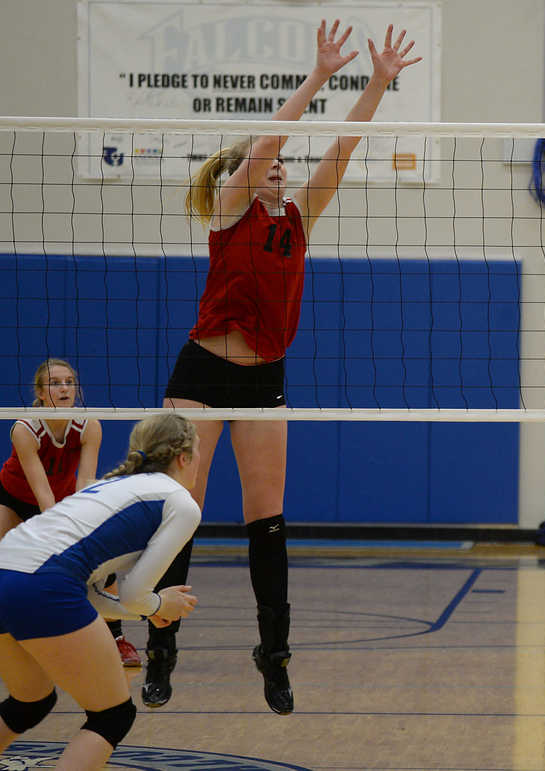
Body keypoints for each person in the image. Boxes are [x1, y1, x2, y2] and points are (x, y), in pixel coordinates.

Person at [142, 19, 422, 716]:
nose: (280, 167)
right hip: (202, 373)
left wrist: (379, 82)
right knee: (184, 509)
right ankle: (161, 650)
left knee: (267, 518)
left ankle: (274, 654)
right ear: (244, 171)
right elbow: (271, 139)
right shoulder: (230, 212)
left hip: (265, 379)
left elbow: (344, 148)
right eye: (267, 162)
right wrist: (321, 74)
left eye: (282, 166)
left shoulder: (298, 218)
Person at [0, 414, 200, 770]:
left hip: (7, 570)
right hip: (42, 584)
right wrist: (157, 603)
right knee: (112, 716)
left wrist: (147, 608)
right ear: (184, 458)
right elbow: (135, 593)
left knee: (29, 700)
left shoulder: (106, 487)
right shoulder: (181, 503)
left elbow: (88, 596)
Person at [0, 359, 140, 667]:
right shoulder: (25, 429)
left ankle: (116, 638)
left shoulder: (89, 425)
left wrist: (82, 530)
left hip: (64, 498)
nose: (64, 388)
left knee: (101, 562)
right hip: (14, 497)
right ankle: (9, 636)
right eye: (55, 383)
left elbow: (85, 485)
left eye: (69, 382)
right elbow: (41, 492)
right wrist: (57, 533)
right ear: (39, 391)